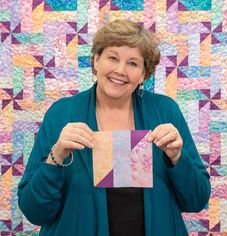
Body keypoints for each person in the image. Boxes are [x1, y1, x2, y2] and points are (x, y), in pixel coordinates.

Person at [18, 19, 211, 236]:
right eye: (112, 57)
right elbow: (35, 211)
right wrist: (57, 155)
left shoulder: (165, 111)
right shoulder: (62, 114)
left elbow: (196, 200)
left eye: (133, 63)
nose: (120, 70)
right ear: (96, 60)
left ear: (144, 75)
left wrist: (177, 157)